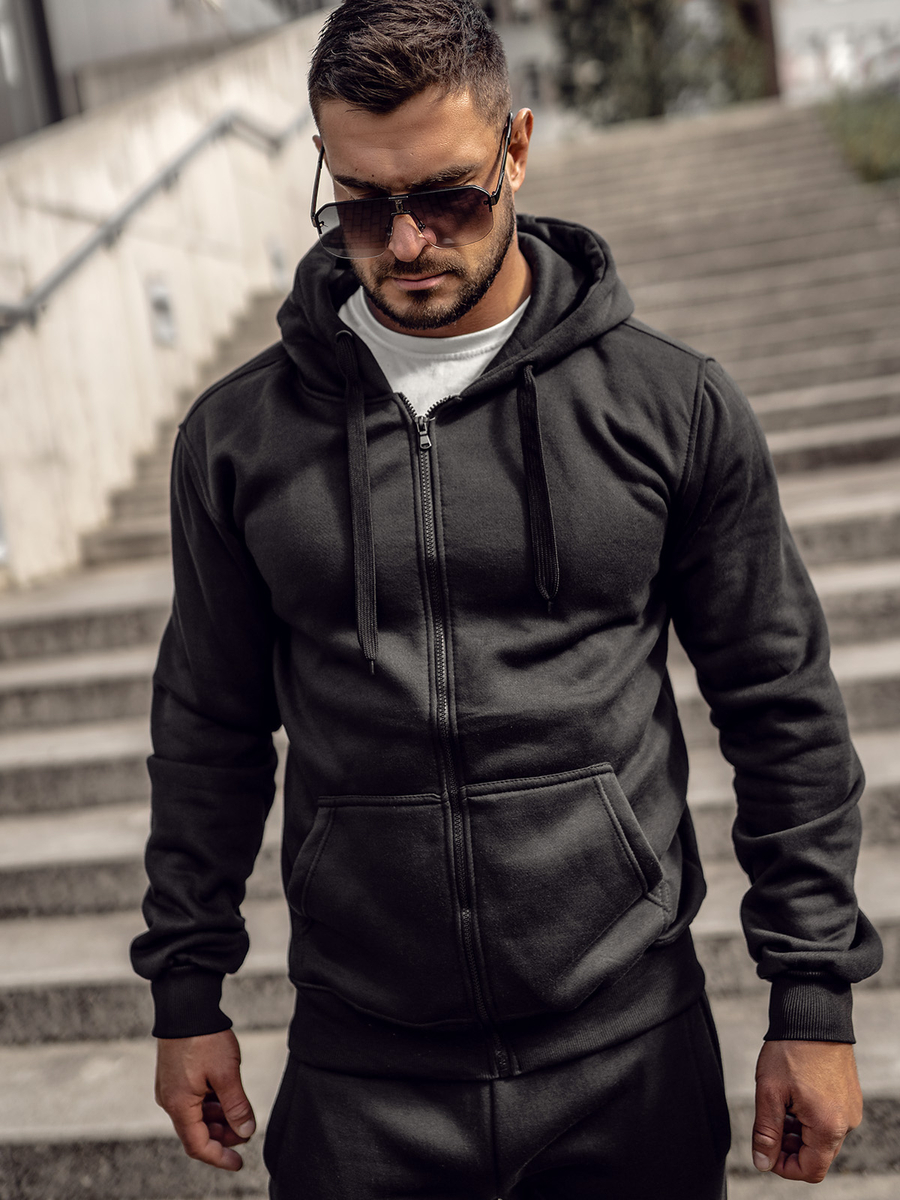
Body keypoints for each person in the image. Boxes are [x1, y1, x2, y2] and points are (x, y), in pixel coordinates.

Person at [131, 1, 883, 1196]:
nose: (407, 241)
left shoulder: (667, 406)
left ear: (517, 149)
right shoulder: (239, 439)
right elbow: (207, 730)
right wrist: (187, 989)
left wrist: (812, 992)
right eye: (362, 205)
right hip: (361, 1073)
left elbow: (780, 704)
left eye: (449, 196)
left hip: (625, 1052)